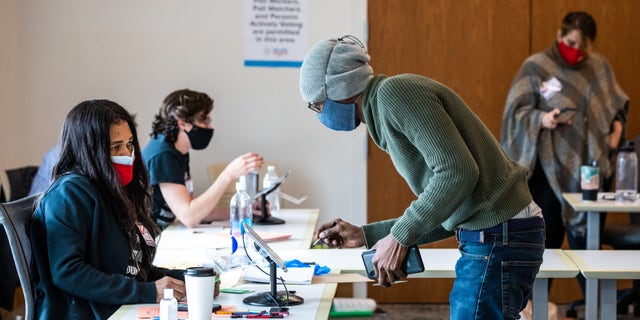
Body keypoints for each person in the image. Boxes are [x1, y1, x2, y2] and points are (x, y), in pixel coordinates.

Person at [301, 35, 545, 319]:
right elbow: (451, 206)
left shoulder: (392, 94)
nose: (320, 113)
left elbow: (457, 173)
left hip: (499, 235)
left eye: (317, 104)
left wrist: (400, 238)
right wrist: (368, 235)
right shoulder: (385, 109)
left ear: (340, 89)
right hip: (500, 232)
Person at [500, 12, 628, 305]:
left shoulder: (598, 67)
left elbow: (615, 106)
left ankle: (597, 307)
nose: (577, 51)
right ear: (560, 35)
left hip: (591, 171)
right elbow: (515, 114)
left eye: (584, 47)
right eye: (571, 43)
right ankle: (532, 307)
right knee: (547, 243)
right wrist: (542, 118)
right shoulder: (536, 67)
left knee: (588, 246)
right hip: (547, 173)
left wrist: (616, 132)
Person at [30, 100, 187, 319]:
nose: (127, 154)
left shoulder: (112, 190)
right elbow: (68, 272)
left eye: (130, 144)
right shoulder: (69, 195)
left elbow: (127, 269)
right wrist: (147, 292)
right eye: (115, 147)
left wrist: (183, 279)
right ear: (90, 150)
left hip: (115, 308)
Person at [142, 89, 265, 229]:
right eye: (204, 120)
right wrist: (227, 174)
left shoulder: (176, 150)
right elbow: (189, 216)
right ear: (182, 124)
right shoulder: (163, 156)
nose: (209, 127)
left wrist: (245, 211)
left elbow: (197, 210)